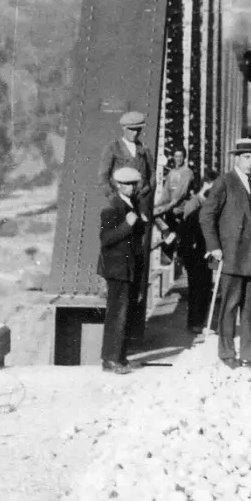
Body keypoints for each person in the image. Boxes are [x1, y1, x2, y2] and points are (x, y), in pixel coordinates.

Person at [201, 138, 251, 370]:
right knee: (229, 307)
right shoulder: (225, 182)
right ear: (237, 158)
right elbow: (206, 216)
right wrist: (214, 246)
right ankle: (226, 354)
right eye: (246, 157)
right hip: (232, 256)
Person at [97, 111, 156, 344]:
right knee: (118, 248)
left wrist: (141, 195)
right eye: (132, 129)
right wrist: (118, 201)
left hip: (138, 207)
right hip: (122, 207)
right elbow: (102, 178)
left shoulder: (144, 151)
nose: (136, 133)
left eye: (139, 129)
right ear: (123, 129)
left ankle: (128, 340)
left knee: (136, 256)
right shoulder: (113, 149)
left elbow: (150, 179)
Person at [96, 166, 147, 374]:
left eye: (134, 184)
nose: (132, 188)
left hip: (130, 268)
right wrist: (127, 225)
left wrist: (139, 223)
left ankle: (121, 358)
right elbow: (106, 239)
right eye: (127, 184)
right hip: (117, 270)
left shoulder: (132, 205)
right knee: (117, 314)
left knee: (126, 314)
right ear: (118, 185)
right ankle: (110, 360)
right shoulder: (111, 207)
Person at [176, 167, 218, 334]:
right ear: (206, 184)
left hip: (202, 252)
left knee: (204, 286)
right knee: (197, 287)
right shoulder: (194, 204)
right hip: (194, 253)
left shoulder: (205, 202)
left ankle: (200, 322)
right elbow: (188, 229)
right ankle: (195, 323)